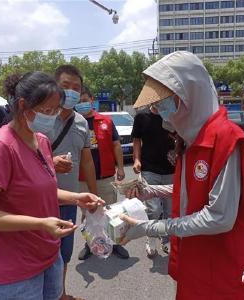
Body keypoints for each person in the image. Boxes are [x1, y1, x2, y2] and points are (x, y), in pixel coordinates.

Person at [120, 51, 244, 299]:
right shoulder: (191, 139)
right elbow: (193, 192)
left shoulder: (224, 137)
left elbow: (219, 217)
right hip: (198, 253)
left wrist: (151, 227)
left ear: (189, 94)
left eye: (163, 101)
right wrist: (151, 191)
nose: (156, 109)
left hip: (224, 260)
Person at [0, 71, 103, 300]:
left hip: (49, 256)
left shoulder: (41, 141)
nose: (52, 116)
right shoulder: (1, 147)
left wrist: (75, 197)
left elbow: (42, 191)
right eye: (46, 111)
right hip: (14, 270)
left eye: (56, 110)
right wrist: (40, 223)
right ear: (23, 105)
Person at [51, 65, 98, 300]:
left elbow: (87, 161)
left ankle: (60, 294)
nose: (71, 92)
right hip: (38, 201)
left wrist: (93, 194)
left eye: (76, 88)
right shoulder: (39, 117)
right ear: (54, 87)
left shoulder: (82, 122)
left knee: (64, 253)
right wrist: (50, 161)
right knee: (40, 255)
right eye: (65, 86)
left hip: (69, 199)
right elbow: (22, 158)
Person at [75, 85, 129, 260]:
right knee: (86, 214)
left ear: (92, 100)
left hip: (105, 176)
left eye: (85, 100)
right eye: (78, 102)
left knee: (111, 212)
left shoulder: (105, 121)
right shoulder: (74, 124)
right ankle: (89, 245)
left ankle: (115, 244)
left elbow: (116, 145)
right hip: (82, 178)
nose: (82, 104)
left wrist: (120, 167)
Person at [131, 108, 175, 257]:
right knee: (154, 209)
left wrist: (177, 151)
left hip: (172, 170)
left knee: (170, 211)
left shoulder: (172, 115)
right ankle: (151, 238)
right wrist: (137, 159)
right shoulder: (141, 117)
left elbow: (181, 139)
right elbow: (136, 140)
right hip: (149, 169)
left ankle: (167, 239)